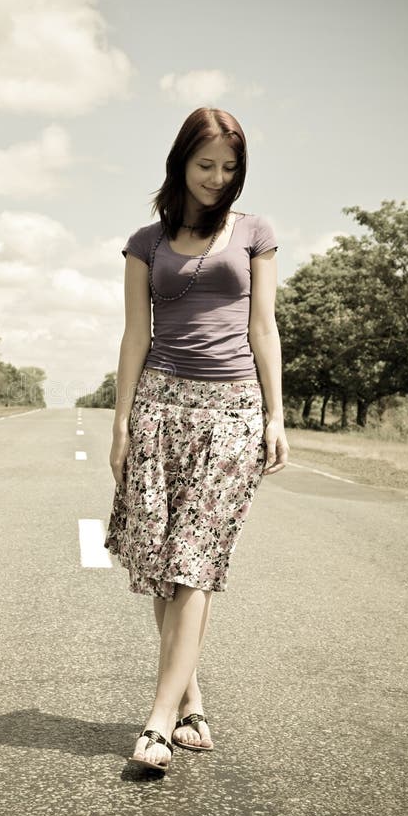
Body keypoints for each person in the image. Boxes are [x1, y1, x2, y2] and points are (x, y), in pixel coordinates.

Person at [105, 106, 289, 774]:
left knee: (194, 560)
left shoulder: (255, 233)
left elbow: (263, 326)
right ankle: (188, 700)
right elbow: (135, 335)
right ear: (181, 162)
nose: (217, 179)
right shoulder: (144, 242)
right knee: (161, 562)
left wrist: (275, 414)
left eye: (229, 168)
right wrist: (120, 423)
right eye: (205, 165)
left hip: (233, 409)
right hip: (158, 405)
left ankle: (156, 724)